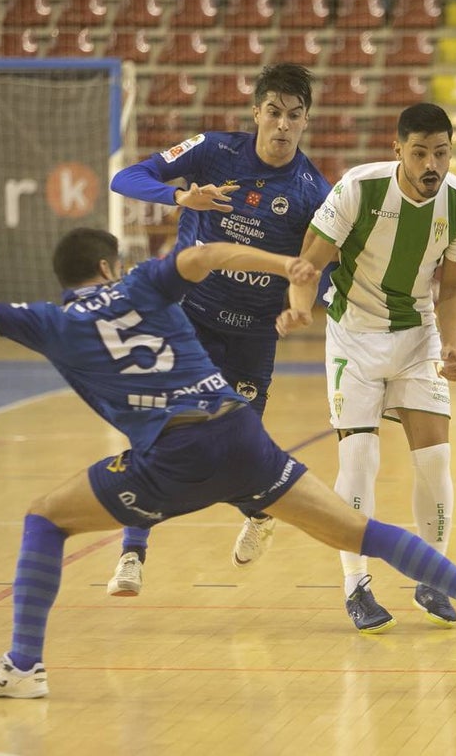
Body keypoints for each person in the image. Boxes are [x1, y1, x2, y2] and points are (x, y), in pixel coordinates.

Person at [0, 229, 456, 700]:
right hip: (238, 433)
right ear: (107, 266)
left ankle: (24, 666)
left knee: (44, 515)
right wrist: (288, 264)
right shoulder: (142, 284)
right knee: (358, 531)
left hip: (177, 456)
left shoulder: (53, 320)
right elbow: (214, 253)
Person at [107, 63, 332, 596]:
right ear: (256, 112)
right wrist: (181, 198)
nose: (282, 126)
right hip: (188, 319)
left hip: (253, 334)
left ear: (305, 122)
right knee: (155, 429)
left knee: (237, 454)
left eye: (294, 117)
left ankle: (259, 511)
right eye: (273, 113)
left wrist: (305, 305)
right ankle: (131, 555)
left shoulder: (312, 192)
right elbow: (126, 177)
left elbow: (321, 266)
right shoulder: (212, 150)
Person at [276, 103, 456, 635]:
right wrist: (300, 303)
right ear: (399, 151)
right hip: (354, 335)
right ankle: (356, 585)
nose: (431, 163)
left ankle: (431, 578)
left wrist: (453, 345)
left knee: (436, 460)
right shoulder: (359, 189)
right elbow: (311, 257)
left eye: (441, 151)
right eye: (419, 152)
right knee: (361, 457)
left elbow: (455, 287)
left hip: (419, 336)